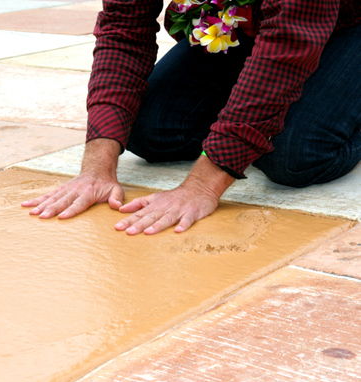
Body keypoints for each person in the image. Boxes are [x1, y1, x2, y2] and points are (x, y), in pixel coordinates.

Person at [22, 0, 360, 235]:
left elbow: (288, 47)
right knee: (149, 129)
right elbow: (124, 29)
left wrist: (201, 186)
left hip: (349, 21)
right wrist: (95, 170)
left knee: (293, 156)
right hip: (252, 19)